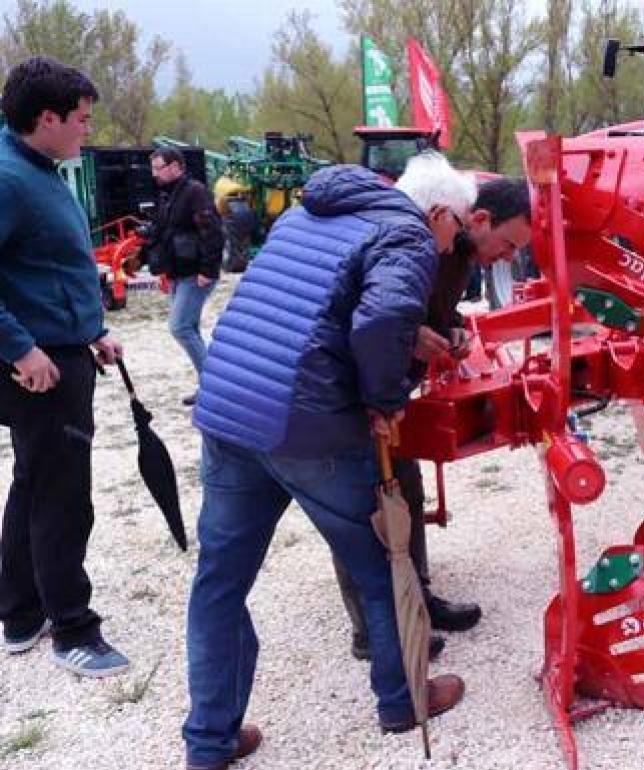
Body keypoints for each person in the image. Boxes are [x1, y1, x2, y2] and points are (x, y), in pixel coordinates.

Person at [182, 155, 475, 770]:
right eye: (458, 230)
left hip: (231, 404)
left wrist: (402, 340)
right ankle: (403, 700)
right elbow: (380, 318)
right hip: (306, 420)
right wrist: (385, 398)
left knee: (220, 583)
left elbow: (316, 304)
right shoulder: (410, 233)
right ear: (440, 213)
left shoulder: (309, 213)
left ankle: (209, 741)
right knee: (380, 559)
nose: (453, 244)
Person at [332, 164, 532, 662]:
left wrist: (455, 329)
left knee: (405, 484)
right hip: (359, 388)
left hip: (392, 387)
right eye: (508, 245)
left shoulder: (459, 253)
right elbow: (367, 310)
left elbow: (428, 309)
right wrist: (407, 344)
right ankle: (373, 631)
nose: (509, 258)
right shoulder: (412, 237)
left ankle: (419, 597)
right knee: (363, 505)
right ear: (478, 219)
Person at [0, 57, 129, 677]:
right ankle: (74, 631)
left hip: (64, 350)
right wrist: (21, 348)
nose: (87, 129)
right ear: (45, 118)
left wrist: (93, 331)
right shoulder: (6, 177)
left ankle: (20, 613)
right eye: (80, 119)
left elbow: (47, 266)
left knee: (33, 483)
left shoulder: (41, 168)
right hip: (38, 369)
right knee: (62, 498)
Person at [143, 146, 223, 405]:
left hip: (195, 274)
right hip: (178, 273)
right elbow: (164, 234)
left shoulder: (195, 192)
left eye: (159, 168)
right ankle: (210, 385)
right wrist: (162, 270)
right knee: (190, 328)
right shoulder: (166, 195)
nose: (155, 174)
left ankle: (214, 386)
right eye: (152, 168)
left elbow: (212, 232)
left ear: (177, 166)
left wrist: (208, 270)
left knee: (180, 327)